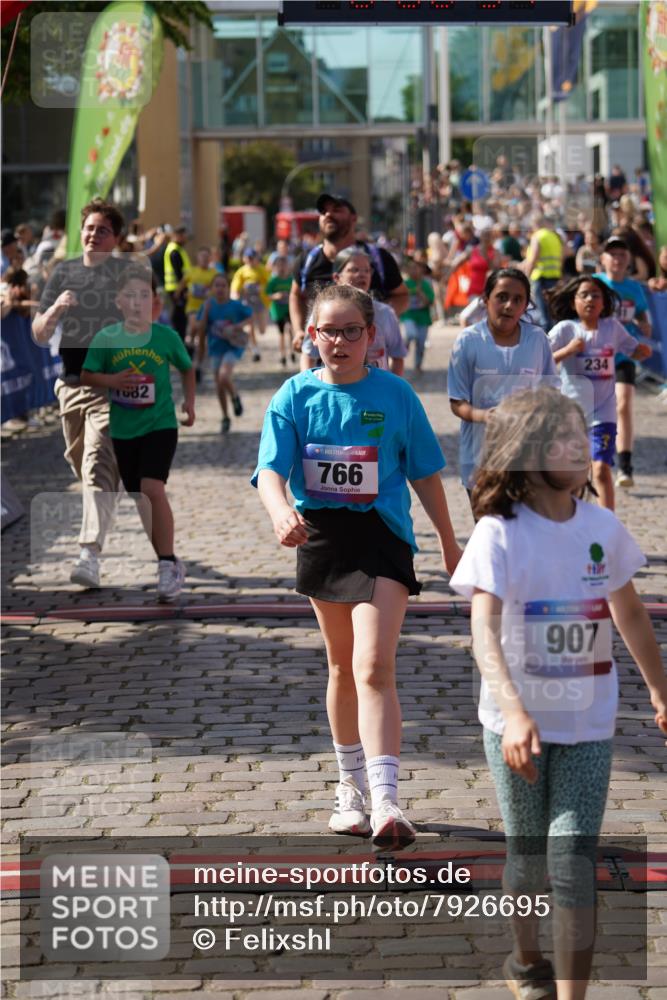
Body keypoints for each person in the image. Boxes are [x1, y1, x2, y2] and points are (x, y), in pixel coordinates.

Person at [450, 385, 667, 1000]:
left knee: (572, 860)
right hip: (514, 725)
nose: (583, 444)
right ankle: (525, 961)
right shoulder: (500, 534)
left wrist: (660, 689)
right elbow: (482, 628)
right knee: (528, 854)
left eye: (583, 433)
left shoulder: (603, 526)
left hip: (590, 722)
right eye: (565, 437)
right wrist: (515, 713)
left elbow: (629, 613)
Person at [252, 283, 461, 851]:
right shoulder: (293, 397)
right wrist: (280, 513)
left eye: (352, 331)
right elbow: (270, 471)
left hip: (383, 538)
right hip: (322, 536)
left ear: (372, 336)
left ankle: (388, 798)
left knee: (372, 665)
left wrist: (447, 538)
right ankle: (349, 788)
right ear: (310, 336)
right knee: (342, 667)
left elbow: (424, 472)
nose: (339, 341)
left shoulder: (396, 394)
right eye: (328, 331)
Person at [80, 264, 195, 602]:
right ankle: (169, 560)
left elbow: (187, 369)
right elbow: (87, 375)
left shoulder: (165, 337)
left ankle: (166, 563)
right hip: (123, 429)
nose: (136, 302)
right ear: (118, 301)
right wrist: (113, 381)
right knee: (141, 495)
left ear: (154, 302)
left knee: (152, 488)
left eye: (143, 295)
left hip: (160, 425)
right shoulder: (107, 338)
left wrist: (189, 403)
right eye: (129, 295)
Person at [32, 197, 127, 589]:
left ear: (115, 238)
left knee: (95, 464)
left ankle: (89, 552)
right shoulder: (63, 272)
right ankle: (106, 494)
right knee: (81, 463)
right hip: (71, 387)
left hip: (112, 387)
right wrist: (55, 309)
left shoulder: (126, 275)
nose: (92, 235)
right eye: (88, 228)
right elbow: (38, 333)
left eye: (101, 229)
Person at [448, 267, 558, 498]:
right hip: (480, 456)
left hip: (527, 457)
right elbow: (457, 402)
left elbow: (552, 395)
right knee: (488, 530)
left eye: (518, 300)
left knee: (524, 531)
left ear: (526, 304)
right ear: (486, 300)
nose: (509, 305)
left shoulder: (538, 339)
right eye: (502, 297)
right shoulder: (468, 341)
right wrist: (485, 416)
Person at [547, 276, 651, 511]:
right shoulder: (566, 329)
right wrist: (567, 351)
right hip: (571, 414)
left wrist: (640, 351)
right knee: (574, 474)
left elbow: (631, 348)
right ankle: (570, 523)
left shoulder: (612, 328)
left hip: (603, 412)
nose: (590, 299)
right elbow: (541, 361)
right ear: (574, 302)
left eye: (596, 295)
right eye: (584, 295)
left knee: (601, 470)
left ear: (604, 303)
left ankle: (608, 529)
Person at [288, 193, 408, 352]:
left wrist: (380, 319)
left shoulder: (378, 258)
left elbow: (402, 295)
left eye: (336, 209)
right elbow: (296, 295)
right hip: (320, 358)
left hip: (368, 358)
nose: (328, 214)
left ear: (353, 218)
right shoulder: (306, 260)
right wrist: (298, 330)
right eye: (323, 212)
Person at [594, 236, 652, 489]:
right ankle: (596, 461)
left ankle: (625, 466)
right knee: (595, 410)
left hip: (624, 354)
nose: (617, 259)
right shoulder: (595, 284)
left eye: (622, 255)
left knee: (624, 403)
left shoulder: (634, 288)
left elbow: (641, 312)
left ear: (628, 260)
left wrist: (643, 323)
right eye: (612, 254)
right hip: (595, 356)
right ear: (603, 259)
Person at [300, 248, 407, 376]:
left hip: (377, 392)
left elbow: (397, 356)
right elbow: (308, 355)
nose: (362, 274)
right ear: (337, 277)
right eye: (354, 270)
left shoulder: (385, 313)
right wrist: (308, 388)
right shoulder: (324, 312)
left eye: (367, 270)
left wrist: (393, 390)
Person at [197, 272, 252, 434]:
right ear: (212, 288)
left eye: (223, 285)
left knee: (224, 376)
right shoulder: (208, 305)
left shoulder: (235, 305)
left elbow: (250, 318)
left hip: (232, 347)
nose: (220, 288)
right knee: (219, 386)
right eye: (217, 285)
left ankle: (235, 396)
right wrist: (206, 312)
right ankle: (225, 416)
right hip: (215, 349)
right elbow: (200, 330)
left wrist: (237, 326)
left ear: (228, 288)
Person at [230, 246, 269, 362]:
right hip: (247, 302)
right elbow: (235, 286)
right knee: (249, 326)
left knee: (262, 330)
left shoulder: (262, 269)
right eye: (248, 258)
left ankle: (256, 339)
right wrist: (235, 295)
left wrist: (262, 288)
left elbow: (270, 283)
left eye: (253, 258)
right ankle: (255, 349)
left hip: (261, 302)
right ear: (244, 259)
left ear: (257, 259)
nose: (251, 260)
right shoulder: (241, 271)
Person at [524, 215, 564, 329]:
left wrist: (526, 277)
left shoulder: (537, 236)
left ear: (535, 224)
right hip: (555, 278)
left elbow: (533, 259)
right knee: (553, 313)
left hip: (541, 279)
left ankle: (545, 342)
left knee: (543, 316)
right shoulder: (555, 237)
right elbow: (562, 257)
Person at [185, 246, 217, 375]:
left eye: (206, 256)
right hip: (192, 307)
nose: (204, 259)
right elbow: (181, 286)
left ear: (210, 258)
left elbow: (218, 289)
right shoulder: (191, 271)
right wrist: (183, 293)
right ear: (197, 258)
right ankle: (190, 344)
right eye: (201, 256)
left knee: (202, 336)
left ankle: (198, 365)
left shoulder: (214, 273)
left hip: (206, 308)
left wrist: (210, 291)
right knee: (194, 326)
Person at [401, 256, 434, 373]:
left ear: (421, 270)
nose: (414, 271)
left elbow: (430, 301)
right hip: (408, 315)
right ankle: (402, 349)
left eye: (416, 268)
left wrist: (420, 292)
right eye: (411, 268)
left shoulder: (425, 284)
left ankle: (418, 365)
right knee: (411, 334)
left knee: (421, 344)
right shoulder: (405, 284)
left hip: (423, 318)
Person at [163, 225, 191, 347]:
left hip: (177, 289)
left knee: (180, 318)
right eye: (183, 236)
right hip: (176, 290)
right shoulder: (174, 251)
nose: (185, 239)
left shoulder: (178, 249)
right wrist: (181, 291)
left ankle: (179, 343)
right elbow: (179, 273)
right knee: (179, 320)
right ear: (178, 236)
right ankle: (178, 344)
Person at [265, 256, 294, 367]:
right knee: (281, 333)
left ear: (288, 266)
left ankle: (291, 352)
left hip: (289, 308)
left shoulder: (291, 279)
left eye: (284, 265)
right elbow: (267, 295)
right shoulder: (273, 281)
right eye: (279, 266)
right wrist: (276, 296)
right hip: (277, 310)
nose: (282, 268)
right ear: (275, 267)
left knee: (290, 330)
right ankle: (283, 355)